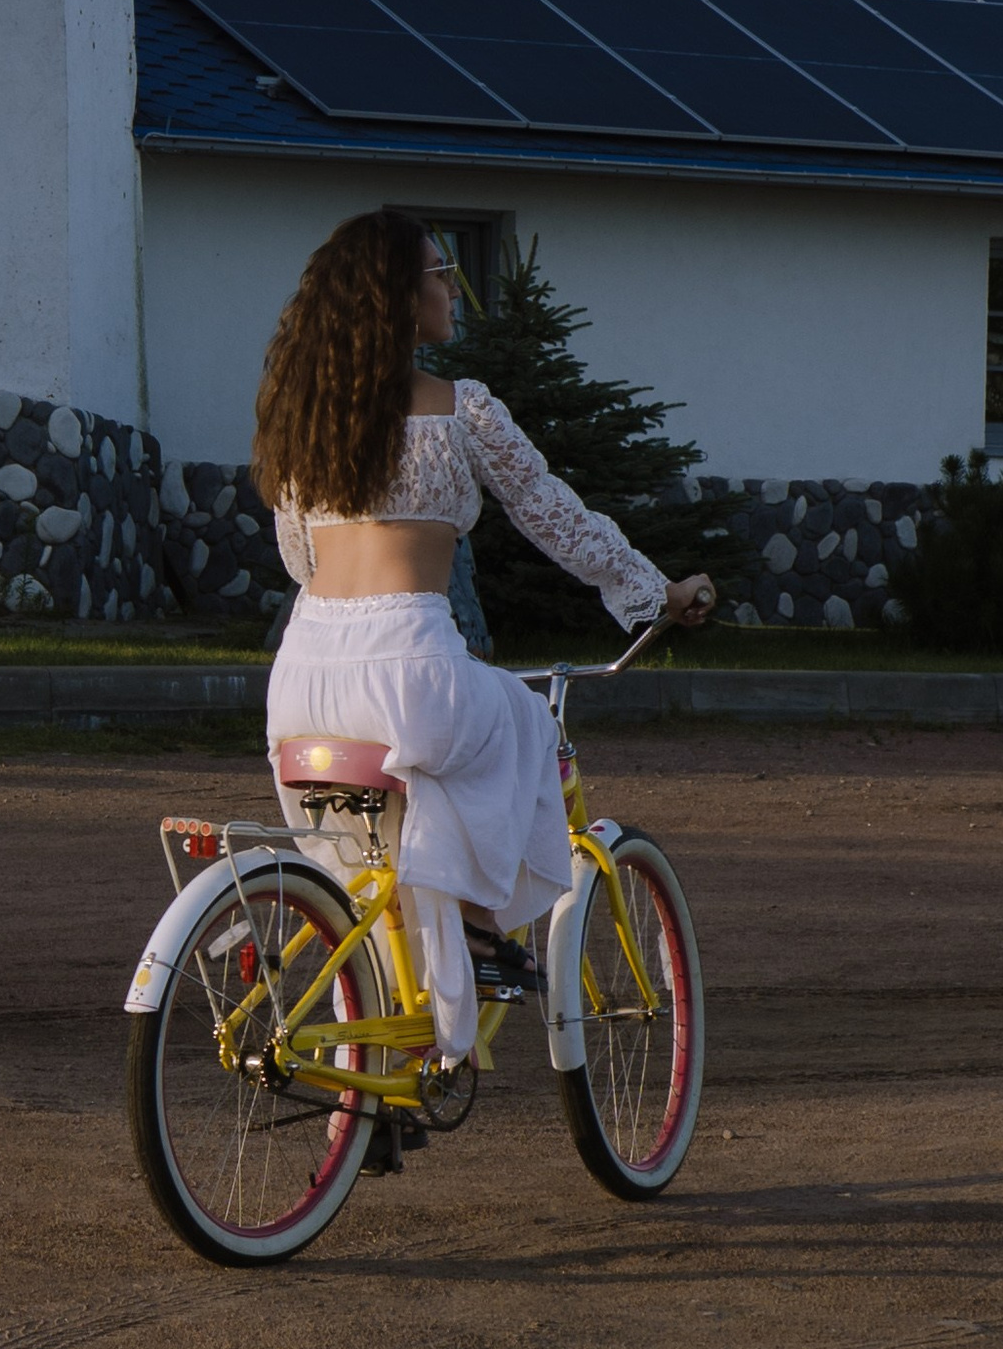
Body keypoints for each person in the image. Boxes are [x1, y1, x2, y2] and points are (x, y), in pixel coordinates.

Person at [255, 209, 716, 1067]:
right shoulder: (461, 410)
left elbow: (297, 557)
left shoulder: (304, 421)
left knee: (376, 857)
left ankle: (389, 1022)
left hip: (302, 675)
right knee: (528, 725)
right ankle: (473, 931)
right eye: (439, 273)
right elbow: (557, 519)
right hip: (410, 665)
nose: (451, 290)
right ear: (398, 296)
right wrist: (658, 592)